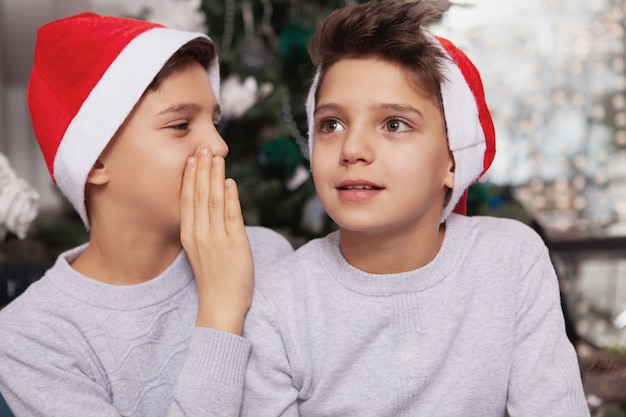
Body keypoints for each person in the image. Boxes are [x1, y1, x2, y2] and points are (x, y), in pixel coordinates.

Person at [239, 1, 590, 415]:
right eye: (331, 124)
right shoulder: (279, 301)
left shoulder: (510, 261)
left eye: (394, 124)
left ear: (453, 159)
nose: (352, 149)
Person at [0, 12, 293, 416]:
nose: (218, 146)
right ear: (96, 159)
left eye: (215, 121)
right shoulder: (31, 337)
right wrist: (222, 309)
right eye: (180, 124)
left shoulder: (266, 255)